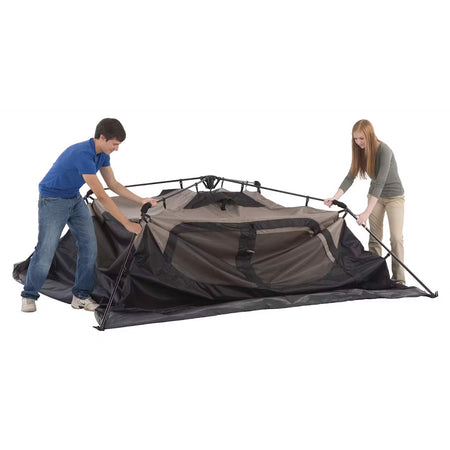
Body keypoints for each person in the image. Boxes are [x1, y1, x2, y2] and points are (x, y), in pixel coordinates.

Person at [21, 118, 158, 312]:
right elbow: (102, 196)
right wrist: (126, 223)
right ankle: (29, 295)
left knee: (89, 246)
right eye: (115, 144)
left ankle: (80, 296)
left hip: (74, 198)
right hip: (52, 200)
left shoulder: (102, 154)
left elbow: (113, 184)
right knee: (46, 250)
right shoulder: (82, 154)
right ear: (102, 137)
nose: (117, 149)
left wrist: (141, 200)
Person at [324, 119, 405, 284]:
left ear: (370, 135)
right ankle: (376, 275)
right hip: (375, 197)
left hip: (394, 198)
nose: (358, 142)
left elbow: (380, 182)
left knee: (396, 238)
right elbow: (350, 177)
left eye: (361, 138)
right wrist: (335, 197)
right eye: (355, 139)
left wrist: (366, 212)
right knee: (375, 238)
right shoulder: (361, 152)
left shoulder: (384, 150)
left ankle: (399, 279)